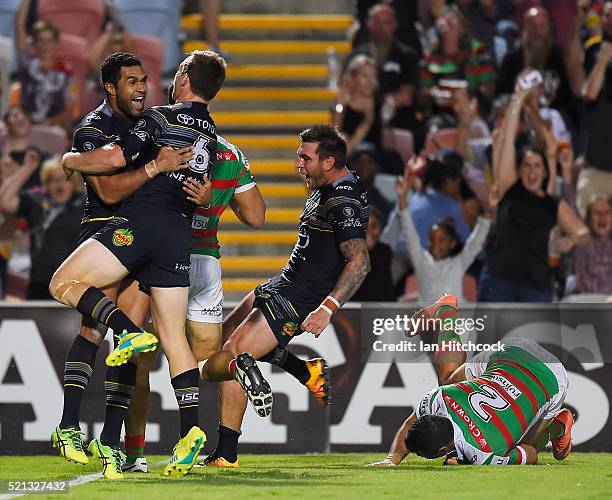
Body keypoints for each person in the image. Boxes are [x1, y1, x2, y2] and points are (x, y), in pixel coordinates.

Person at [53, 50, 225, 477]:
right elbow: (109, 195)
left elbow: (119, 167)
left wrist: (69, 162)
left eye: (144, 79)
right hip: (126, 229)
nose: (143, 88)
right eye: (133, 81)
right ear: (111, 87)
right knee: (157, 337)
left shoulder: (160, 118)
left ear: (183, 78)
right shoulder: (96, 127)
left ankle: (110, 439)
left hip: (140, 229)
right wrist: (201, 195)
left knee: (80, 299)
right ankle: (78, 426)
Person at [197, 125, 370, 465]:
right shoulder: (332, 184)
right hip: (284, 283)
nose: (298, 165)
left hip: (298, 298)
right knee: (222, 350)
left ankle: (227, 453)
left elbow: (360, 261)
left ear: (329, 161)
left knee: (218, 365)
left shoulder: (342, 199)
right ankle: (301, 371)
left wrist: (328, 308)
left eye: (306, 158)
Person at [121, 135, 266, 473]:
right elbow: (257, 216)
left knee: (138, 360)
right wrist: (214, 199)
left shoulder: (164, 140)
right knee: (203, 364)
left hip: (163, 258)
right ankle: (234, 366)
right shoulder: (232, 153)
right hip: (206, 265)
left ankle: (134, 455)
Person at [366, 295, 574, 467]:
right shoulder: (439, 398)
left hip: (552, 377)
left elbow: (531, 455)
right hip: (513, 352)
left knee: (524, 445)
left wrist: (463, 459)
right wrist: (391, 459)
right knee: (446, 380)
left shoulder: (485, 455)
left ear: (442, 450)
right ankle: (445, 313)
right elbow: (411, 423)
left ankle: (557, 427)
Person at [478, 75, 589, 302]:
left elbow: (584, 234)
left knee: (533, 339)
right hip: (499, 280)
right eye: (527, 165)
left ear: (545, 171)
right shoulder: (509, 187)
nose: (532, 171)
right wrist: (517, 100)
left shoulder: (552, 203)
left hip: (535, 287)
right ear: (519, 170)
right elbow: (508, 141)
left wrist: (569, 240)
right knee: (489, 338)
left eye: (538, 166)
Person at [395, 166, 490, 302]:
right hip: (427, 322)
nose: (435, 245)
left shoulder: (458, 264)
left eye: (442, 240)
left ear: (452, 243)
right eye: (432, 240)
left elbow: (475, 243)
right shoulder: (421, 261)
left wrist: (489, 211)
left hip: (453, 322)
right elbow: (409, 232)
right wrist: (402, 197)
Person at [0, 154, 84, 299]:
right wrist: (27, 168)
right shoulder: (37, 203)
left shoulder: (85, 206)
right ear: (45, 184)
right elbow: (5, 203)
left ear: (73, 183)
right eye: (53, 179)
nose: (59, 184)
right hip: (39, 286)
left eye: (65, 178)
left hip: (75, 287)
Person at [579, 2, 612, 219]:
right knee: (587, 244)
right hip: (596, 167)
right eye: (607, 15)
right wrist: (603, 58)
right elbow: (589, 93)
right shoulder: (594, 49)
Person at [15, 16, 77, 128]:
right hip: (26, 126)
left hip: (54, 126)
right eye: (41, 41)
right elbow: (20, 25)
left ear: (56, 42)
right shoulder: (26, 65)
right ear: (34, 43)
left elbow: (70, 109)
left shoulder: (66, 71)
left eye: (49, 41)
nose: (45, 46)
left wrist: (51, 122)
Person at [572, 196, 612, 295]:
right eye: (597, 213)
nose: (602, 217)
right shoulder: (583, 240)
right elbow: (570, 208)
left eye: (606, 213)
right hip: (585, 302)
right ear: (589, 219)